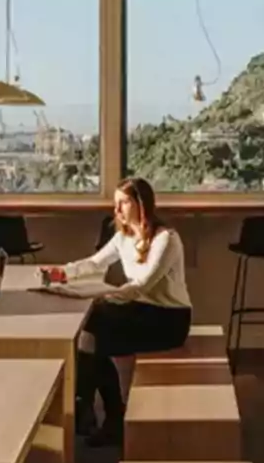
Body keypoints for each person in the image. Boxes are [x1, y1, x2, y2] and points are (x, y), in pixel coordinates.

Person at [46, 177, 192, 447]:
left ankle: (95, 409)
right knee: (92, 333)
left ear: (141, 203)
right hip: (138, 310)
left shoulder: (166, 239)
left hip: (168, 319)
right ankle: (93, 408)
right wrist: (62, 273)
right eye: (116, 204)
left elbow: (140, 286)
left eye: (124, 202)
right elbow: (94, 263)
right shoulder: (123, 236)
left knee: (94, 336)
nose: (118, 210)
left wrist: (99, 296)